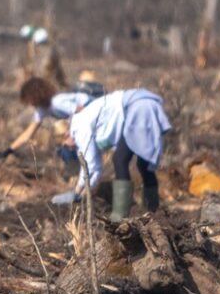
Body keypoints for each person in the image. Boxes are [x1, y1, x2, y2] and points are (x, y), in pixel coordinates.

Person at [61, 88, 172, 221]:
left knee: (120, 159)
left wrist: (78, 191)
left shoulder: (79, 128)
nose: (70, 148)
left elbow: (91, 164)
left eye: (65, 144)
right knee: (142, 163)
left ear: (67, 134)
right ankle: (152, 212)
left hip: (138, 107)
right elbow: (94, 165)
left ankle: (120, 216)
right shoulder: (82, 119)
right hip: (140, 104)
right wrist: (80, 192)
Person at [0, 76, 96, 176]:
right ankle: (78, 175)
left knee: (67, 149)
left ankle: (78, 176)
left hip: (92, 110)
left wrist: (71, 134)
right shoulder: (42, 110)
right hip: (84, 119)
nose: (29, 104)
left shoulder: (57, 102)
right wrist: (9, 150)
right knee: (64, 149)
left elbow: (81, 111)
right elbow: (28, 133)